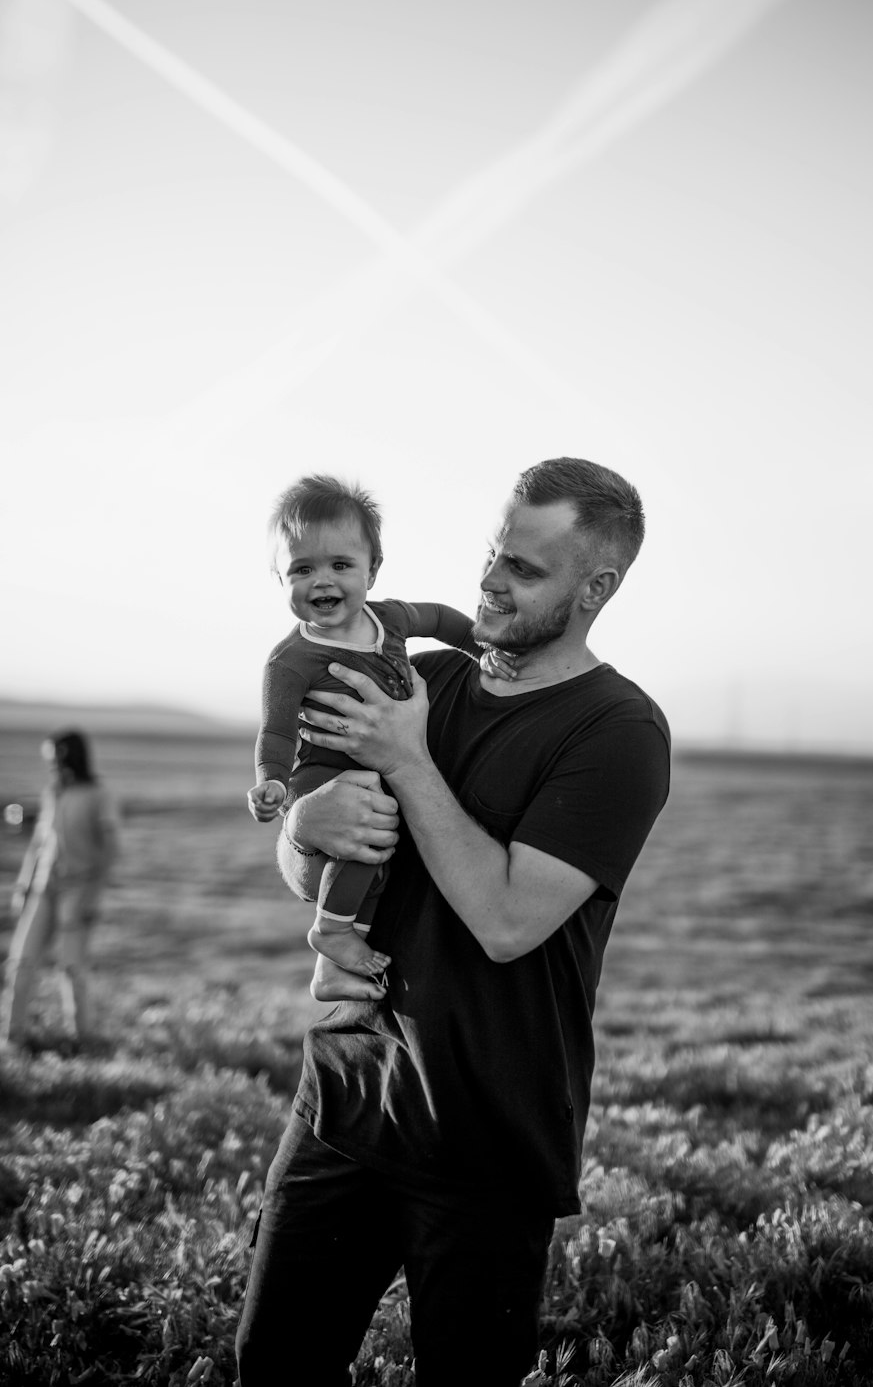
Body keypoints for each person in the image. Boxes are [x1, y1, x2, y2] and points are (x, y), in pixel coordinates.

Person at [235, 457, 671, 1387]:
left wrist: (410, 760)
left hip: (489, 1141)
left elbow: (508, 920)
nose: (488, 582)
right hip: (346, 1099)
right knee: (271, 1367)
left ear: (596, 588)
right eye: (491, 554)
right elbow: (303, 864)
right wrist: (304, 829)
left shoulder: (617, 732)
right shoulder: (413, 676)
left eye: (524, 569)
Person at [247, 473, 514, 997]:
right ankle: (332, 931)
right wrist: (273, 783)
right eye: (302, 569)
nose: (322, 581)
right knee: (366, 845)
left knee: (380, 857)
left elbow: (438, 618)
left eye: (340, 565)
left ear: (374, 569)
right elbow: (276, 730)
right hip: (322, 775)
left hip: (374, 773)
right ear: (278, 579)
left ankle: (333, 969)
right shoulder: (291, 659)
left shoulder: (387, 619)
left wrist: (479, 649)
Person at [0, 730, 120, 1049]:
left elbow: (110, 850)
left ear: (69, 756)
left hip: (77, 891)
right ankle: (13, 1040)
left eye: (54, 757)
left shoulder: (98, 795)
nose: (50, 764)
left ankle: (82, 1040)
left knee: (72, 968)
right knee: (21, 962)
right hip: (43, 888)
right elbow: (39, 843)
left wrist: (92, 896)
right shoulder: (53, 792)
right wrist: (24, 884)